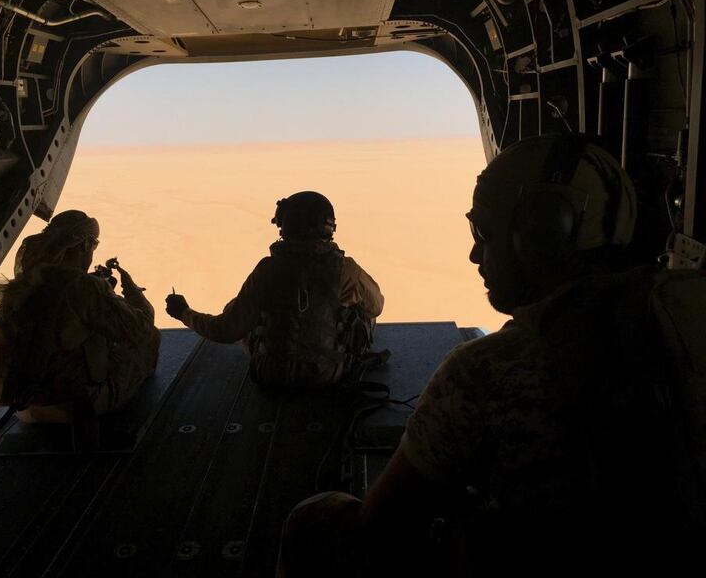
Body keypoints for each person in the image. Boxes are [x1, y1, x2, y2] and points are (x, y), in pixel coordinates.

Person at [277, 135, 705, 577]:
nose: (475, 253)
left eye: (484, 232)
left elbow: (382, 524)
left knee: (313, 520)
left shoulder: (486, 373)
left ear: (540, 237)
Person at [165, 191, 384, 387]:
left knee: (237, 308)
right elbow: (376, 306)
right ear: (328, 227)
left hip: (269, 375)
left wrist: (184, 313)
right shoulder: (347, 271)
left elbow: (227, 330)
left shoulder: (267, 270)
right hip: (326, 375)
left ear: (283, 225)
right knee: (361, 311)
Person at [0, 210, 160, 421]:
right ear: (84, 245)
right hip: (70, 408)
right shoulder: (83, 287)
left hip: (25, 410)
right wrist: (132, 292)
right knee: (151, 340)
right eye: (93, 244)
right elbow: (140, 329)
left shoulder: (24, 284)